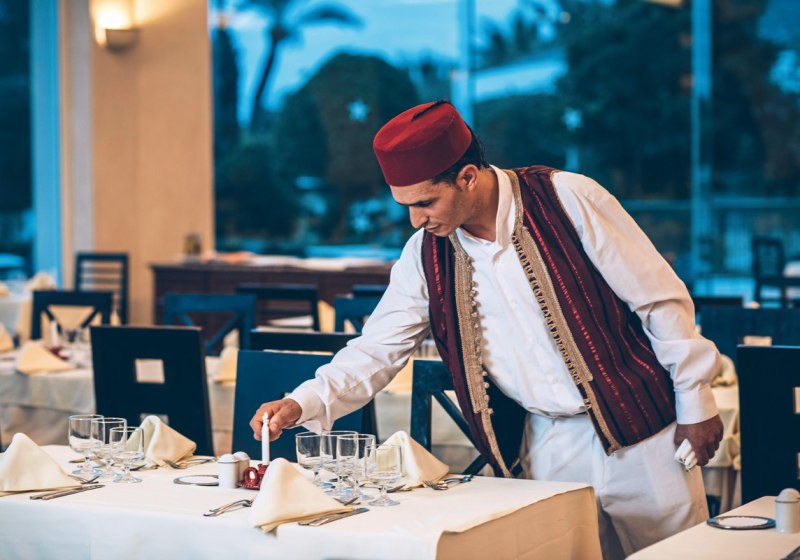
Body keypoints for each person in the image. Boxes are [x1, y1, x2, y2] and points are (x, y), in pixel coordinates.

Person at [250, 100, 723, 559]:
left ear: (468, 177)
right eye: (406, 207)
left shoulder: (568, 198)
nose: (416, 220)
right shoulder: (425, 254)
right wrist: (304, 401)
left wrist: (695, 400)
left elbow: (658, 300)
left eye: (425, 202)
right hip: (547, 445)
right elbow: (377, 348)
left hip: (645, 437)